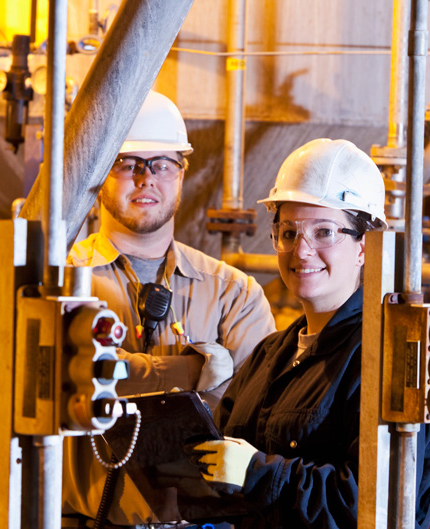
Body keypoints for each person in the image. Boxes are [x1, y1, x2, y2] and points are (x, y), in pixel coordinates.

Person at [182, 139, 430, 528]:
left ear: (364, 247)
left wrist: (256, 473)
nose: (301, 251)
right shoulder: (269, 355)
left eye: (324, 232)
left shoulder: (387, 359)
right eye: (289, 233)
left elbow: (375, 508)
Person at [62, 90, 276, 528]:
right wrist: (194, 370)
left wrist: (123, 370)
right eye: (128, 164)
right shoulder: (61, 281)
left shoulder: (234, 292)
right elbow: (67, 385)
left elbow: (252, 415)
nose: (146, 179)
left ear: (181, 174)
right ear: (101, 172)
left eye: (162, 164)